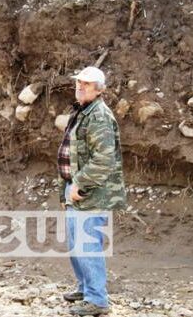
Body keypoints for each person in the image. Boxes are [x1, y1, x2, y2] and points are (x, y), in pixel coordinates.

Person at [56, 66, 126, 316]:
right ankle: (86, 289)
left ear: (100, 90)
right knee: (77, 245)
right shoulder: (83, 111)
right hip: (74, 189)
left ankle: (97, 300)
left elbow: (103, 160)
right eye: (79, 83)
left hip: (89, 192)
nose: (80, 87)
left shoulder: (98, 116)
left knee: (88, 246)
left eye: (86, 84)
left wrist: (79, 185)